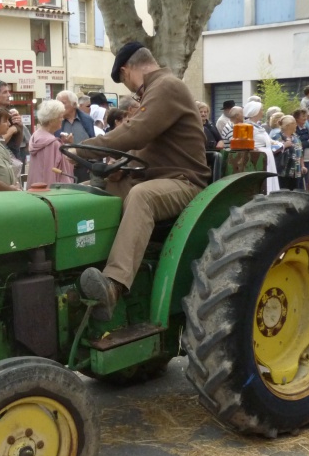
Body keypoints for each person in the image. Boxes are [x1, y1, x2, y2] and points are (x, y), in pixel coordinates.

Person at [75, 42, 209, 320]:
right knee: (85, 194)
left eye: (123, 81)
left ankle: (114, 284)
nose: (129, 90)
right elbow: (146, 147)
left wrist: (85, 147)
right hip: (154, 176)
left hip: (184, 181)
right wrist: (122, 168)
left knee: (142, 197)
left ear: (126, 71)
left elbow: (136, 133)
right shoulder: (155, 91)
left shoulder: (167, 86)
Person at [28, 99, 75, 186]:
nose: (62, 119)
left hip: (35, 186)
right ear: (51, 120)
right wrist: (68, 146)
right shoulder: (53, 143)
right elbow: (61, 170)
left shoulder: (35, 135)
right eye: (60, 116)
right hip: (50, 192)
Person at [56, 90, 96, 181]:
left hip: (84, 167)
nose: (59, 107)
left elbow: (93, 142)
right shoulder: (55, 122)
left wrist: (92, 164)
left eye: (63, 103)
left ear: (74, 104)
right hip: (63, 169)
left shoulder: (87, 120)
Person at [244, 101, 281, 194]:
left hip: (267, 157)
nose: (262, 112)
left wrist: (278, 143)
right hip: (259, 158)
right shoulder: (247, 126)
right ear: (255, 111)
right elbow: (246, 143)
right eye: (261, 110)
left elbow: (267, 139)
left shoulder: (258, 126)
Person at [0, 79, 24, 159]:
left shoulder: (11, 114)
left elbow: (17, 143)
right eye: (5, 92)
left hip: (15, 161)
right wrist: (13, 129)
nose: (9, 95)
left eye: (8, 91)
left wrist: (20, 126)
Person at [270, 115, 304, 191]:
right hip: (283, 172)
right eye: (294, 123)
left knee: (295, 193)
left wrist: (302, 166)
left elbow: (300, 153)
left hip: (296, 172)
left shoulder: (296, 137)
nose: (296, 125)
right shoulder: (277, 137)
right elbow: (272, 151)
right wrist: (284, 145)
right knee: (283, 193)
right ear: (289, 125)